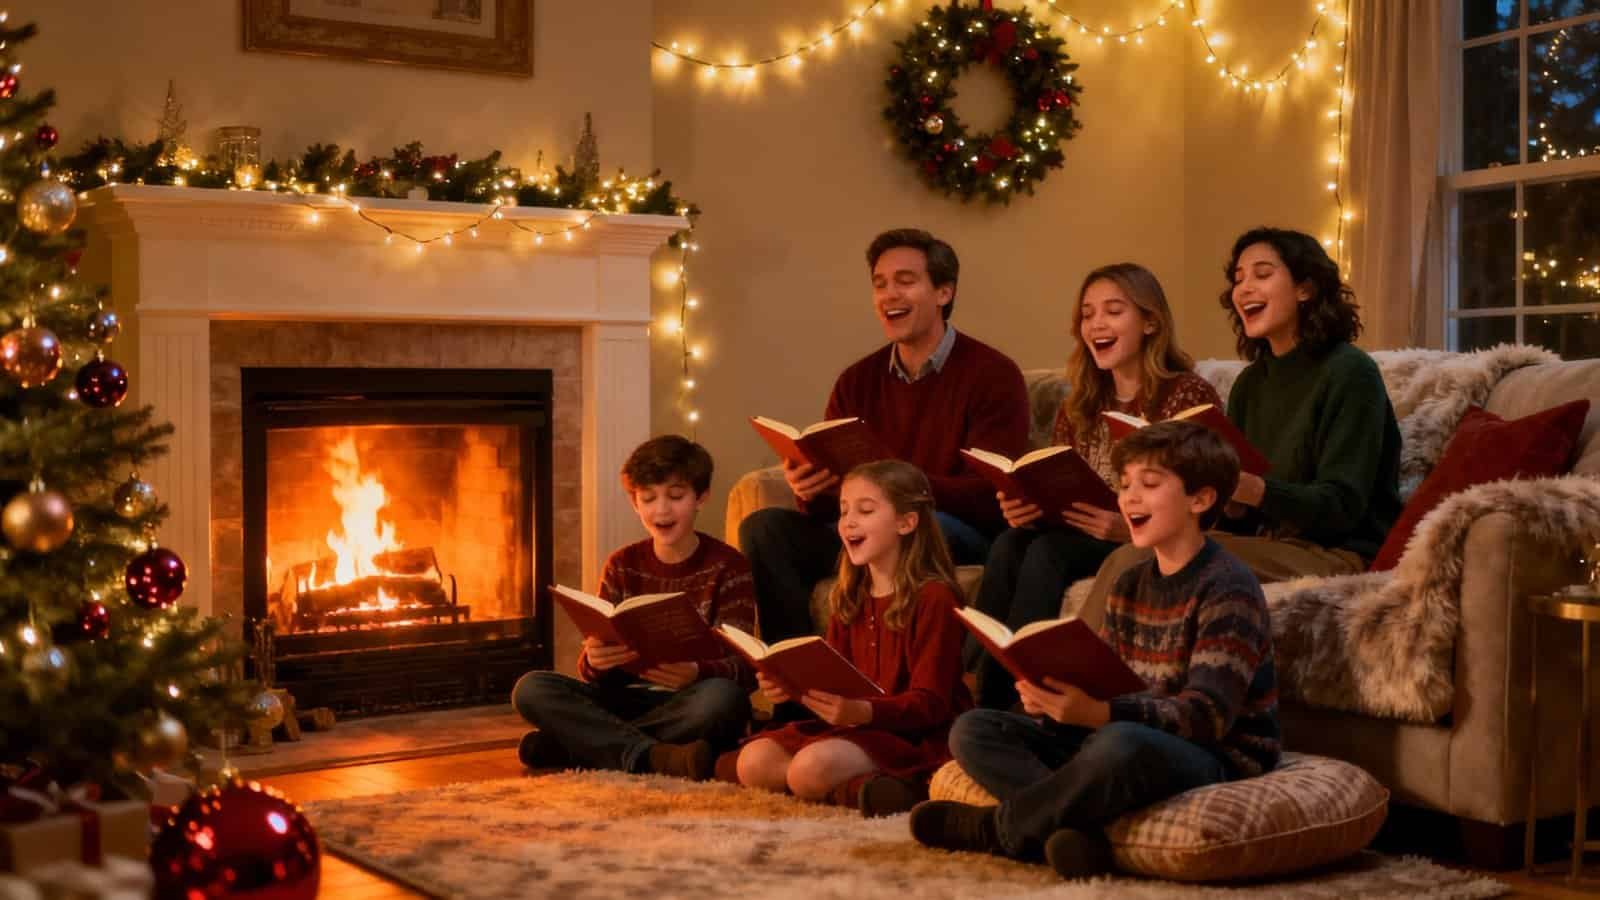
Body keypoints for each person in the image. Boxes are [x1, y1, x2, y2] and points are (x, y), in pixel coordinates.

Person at [910, 421, 1279, 880]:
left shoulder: (1228, 587)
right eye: (1125, 485)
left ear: (1200, 500)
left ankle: (1000, 829)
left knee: (1118, 743)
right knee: (974, 729)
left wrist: (1101, 714)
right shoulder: (1129, 583)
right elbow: (1107, 679)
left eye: (1149, 484)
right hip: (1120, 732)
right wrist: (1051, 700)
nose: (1130, 498)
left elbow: (1207, 717)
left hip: (1212, 751)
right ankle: (1076, 834)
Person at [1082, 227, 1402, 609]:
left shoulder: (1351, 372)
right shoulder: (1251, 383)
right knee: (1143, 551)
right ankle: (1068, 649)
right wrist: (1231, 502)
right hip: (1267, 543)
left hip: (1336, 553)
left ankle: (1073, 651)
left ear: (1305, 288)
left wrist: (1255, 490)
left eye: (1262, 274)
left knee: (1140, 557)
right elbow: (1244, 510)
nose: (1244, 289)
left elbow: (1342, 506)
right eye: (1238, 279)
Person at [741, 228, 1030, 642]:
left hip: (949, 528)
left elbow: (990, 494)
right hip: (866, 523)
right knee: (764, 528)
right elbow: (830, 506)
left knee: (902, 523)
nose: (889, 294)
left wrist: (899, 488)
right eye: (880, 284)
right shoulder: (856, 381)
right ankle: (795, 671)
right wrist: (810, 488)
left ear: (944, 292)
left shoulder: (993, 374)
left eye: (905, 281)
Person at [967, 263, 1220, 709]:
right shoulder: (1081, 403)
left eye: (1113, 311)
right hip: (1079, 529)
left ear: (1150, 322)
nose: (1096, 324)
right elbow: (1060, 480)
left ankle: (1015, 702)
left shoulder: (1187, 394)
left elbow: (1203, 492)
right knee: (1009, 542)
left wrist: (1130, 527)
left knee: (1048, 553)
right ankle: (970, 687)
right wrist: (1027, 506)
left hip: (1132, 538)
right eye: (1087, 314)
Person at [734, 460, 972, 817]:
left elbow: (932, 704)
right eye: (844, 510)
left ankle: (900, 788)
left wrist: (863, 711)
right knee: (753, 763)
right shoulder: (850, 595)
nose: (848, 522)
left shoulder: (934, 597)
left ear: (906, 522)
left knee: (809, 770)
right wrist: (790, 686)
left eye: (866, 510)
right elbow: (836, 679)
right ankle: (860, 789)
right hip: (853, 725)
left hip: (912, 732)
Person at [511, 435, 754, 780]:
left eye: (676, 496)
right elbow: (591, 671)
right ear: (634, 503)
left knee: (724, 700)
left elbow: (745, 669)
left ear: (701, 497)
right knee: (531, 688)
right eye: (648, 498)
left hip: (690, 700)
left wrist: (696, 672)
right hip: (623, 698)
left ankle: (579, 745)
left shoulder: (729, 566)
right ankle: (651, 755)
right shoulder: (621, 564)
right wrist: (594, 661)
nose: (661, 510)